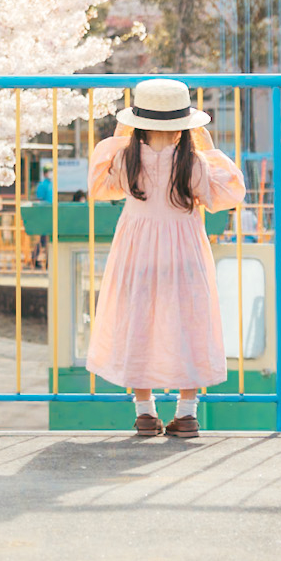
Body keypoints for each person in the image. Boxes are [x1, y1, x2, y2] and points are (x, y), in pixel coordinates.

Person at [85, 76, 245, 439]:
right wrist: (206, 148)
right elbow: (230, 192)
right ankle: (186, 413)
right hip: (185, 249)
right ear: (183, 127)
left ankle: (145, 412)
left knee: (137, 319)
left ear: (138, 125)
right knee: (189, 320)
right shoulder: (195, 163)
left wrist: (122, 135)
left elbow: (98, 183)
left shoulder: (126, 160)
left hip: (136, 250)